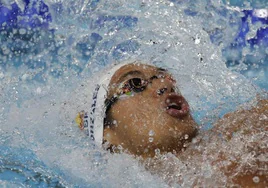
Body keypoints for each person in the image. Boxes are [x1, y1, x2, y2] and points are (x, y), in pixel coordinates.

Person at [75, 61, 267, 187]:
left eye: (163, 76)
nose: (164, 85)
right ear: (108, 133)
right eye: (135, 83)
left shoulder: (238, 128)